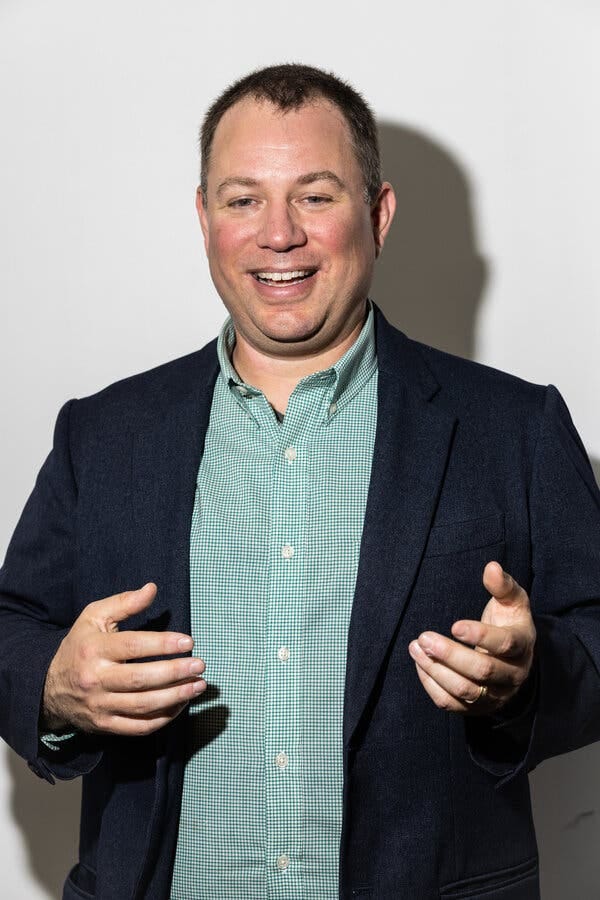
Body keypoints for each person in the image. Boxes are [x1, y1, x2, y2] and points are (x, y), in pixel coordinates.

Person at [1, 63, 599, 900]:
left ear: (379, 214)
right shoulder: (102, 434)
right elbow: (13, 623)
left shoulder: (514, 427)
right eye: (243, 199)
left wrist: (527, 681)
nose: (278, 233)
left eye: (316, 196)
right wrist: (54, 688)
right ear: (204, 216)